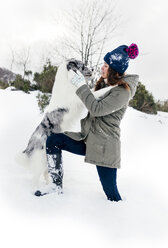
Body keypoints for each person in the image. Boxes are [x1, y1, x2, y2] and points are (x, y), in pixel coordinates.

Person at [35, 43, 139, 201]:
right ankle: (56, 185)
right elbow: (84, 99)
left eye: (105, 66)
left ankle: (120, 213)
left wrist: (80, 85)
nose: (102, 68)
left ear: (113, 69)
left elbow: (96, 108)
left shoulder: (122, 93)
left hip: (104, 146)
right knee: (53, 140)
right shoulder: (105, 86)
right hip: (87, 139)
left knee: (111, 193)